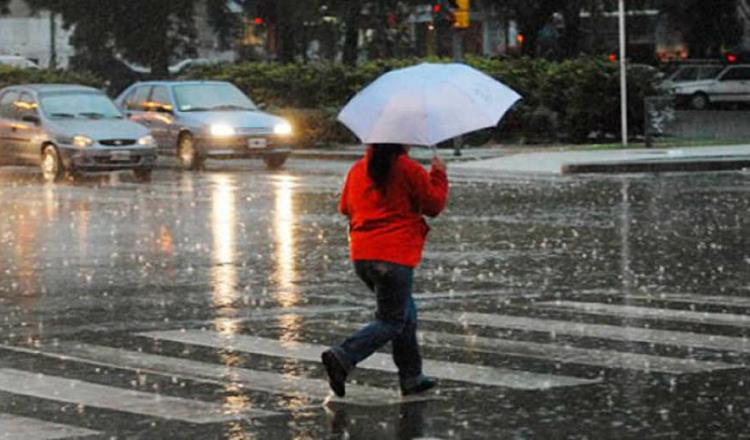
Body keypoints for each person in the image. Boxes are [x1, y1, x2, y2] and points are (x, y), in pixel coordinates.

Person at [321, 143, 449, 397]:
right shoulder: (407, 169)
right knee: (391, 320)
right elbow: (433, 205)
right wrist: (439, 174)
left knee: (405, 314)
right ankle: (344, 355)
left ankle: (411, 376)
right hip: (394, 255)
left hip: (363, 255)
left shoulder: (358, 169)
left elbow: (345, 207)